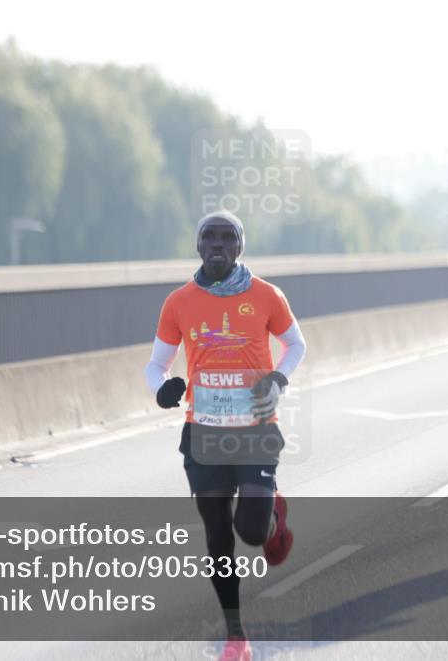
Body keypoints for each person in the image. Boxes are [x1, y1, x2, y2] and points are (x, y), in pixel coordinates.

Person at [145, 209, 307, 661]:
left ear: (239, 247)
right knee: (218, 535)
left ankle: (271, 517)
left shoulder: (266, 295)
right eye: (209, 238)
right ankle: (236, 637)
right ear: (198, 247)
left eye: (227, 238)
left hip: (255, 431)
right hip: (204, 434)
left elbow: (297, 344)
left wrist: (278, 378)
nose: (217, 245)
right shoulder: (179, 302)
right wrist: (163, 388)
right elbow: (156, 364)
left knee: (250, 532)